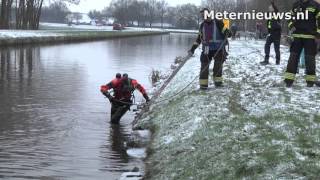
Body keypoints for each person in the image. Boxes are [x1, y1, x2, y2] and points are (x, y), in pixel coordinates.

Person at [188, 8, 231, 90]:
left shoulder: (218, 23)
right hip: (207, 49)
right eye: (203, 16)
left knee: (218, 66)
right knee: (204, 65)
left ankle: (218, 83)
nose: (205, 17)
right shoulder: (202, 25)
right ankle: (203, 85)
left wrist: (227, 32)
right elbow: (199, 39)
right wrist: (192, 49)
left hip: (218, 48)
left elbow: (229, 34)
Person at [284, 0, 320, 87]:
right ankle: (288, 81)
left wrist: (318, 33)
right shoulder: (296, 4)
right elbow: (288, 16)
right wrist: (291, 25)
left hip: (310, 37)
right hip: (297, 36)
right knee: (293, 59)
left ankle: (310, 82)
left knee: (310, 60)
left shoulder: (315, 5)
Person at [260, 0, 282, 65]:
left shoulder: (277, 14)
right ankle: (266, 60)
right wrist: (267, 32)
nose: (269, 9)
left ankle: (277, 62)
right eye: (269, 8)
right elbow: (268, 24)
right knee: (267, 45)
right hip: (271, 34)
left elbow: (276, 10)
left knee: (276, 49)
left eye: (270, 8)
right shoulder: (269, 16)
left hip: (277, 34)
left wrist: (272, 3)